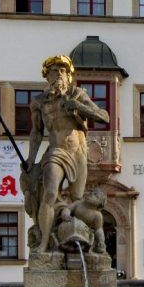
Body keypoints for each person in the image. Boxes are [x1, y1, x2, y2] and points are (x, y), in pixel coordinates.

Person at [23, 55, 109, 252]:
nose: (59, 74)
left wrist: (77, 106)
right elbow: (36, 132)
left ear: (69, 76)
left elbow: (104, 116)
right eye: (54, 71)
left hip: (78, 153)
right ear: (48, 77)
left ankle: (80, 245)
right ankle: (43, 244)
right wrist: (30, 158)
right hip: (55, 151)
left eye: (63, 71)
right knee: (51, 192)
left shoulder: (77, 94)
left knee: (78, 197)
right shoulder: (38, 102)